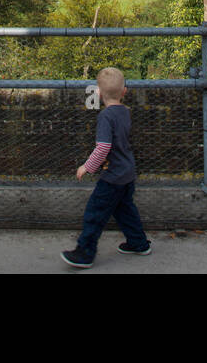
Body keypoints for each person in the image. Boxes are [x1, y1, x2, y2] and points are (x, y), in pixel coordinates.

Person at [62, 66, 151, 269]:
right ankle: (139, 243)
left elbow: (103, 148)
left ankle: (85, 253)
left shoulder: (105, 117)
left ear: (99, 93)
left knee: (95, 213)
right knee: (125, 210)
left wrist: (87, 167)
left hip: (112, 177)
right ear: (124, 92)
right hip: (127, 173)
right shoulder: (125, 113)